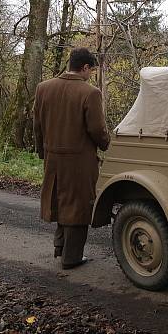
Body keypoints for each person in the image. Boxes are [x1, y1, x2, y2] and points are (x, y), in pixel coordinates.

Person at [33, 47, 111, 269]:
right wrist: (108, 146)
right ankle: (72, 258)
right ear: (85, 67)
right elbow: (97, 129)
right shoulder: (89, 93)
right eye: (91, 70)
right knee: (78, 207)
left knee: (60, 202)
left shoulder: (43, 88)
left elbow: (37, 126)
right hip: (79, 161)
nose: (91, 75)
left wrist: (43, 153)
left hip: (53, 158)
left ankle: (60, 249)